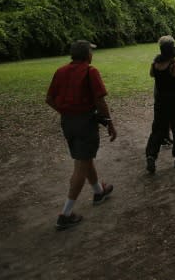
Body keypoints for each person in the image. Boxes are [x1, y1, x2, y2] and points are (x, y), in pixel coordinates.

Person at [46, 40, 116, 231]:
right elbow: (100, 100)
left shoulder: (60, 71)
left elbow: (49, 98)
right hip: (85, 122)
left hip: (68, 122)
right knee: (80, 165)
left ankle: (98, 192)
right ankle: (65, 214)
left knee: (84, 159)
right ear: (87, 55)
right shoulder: (90, 71)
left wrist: (66, 111)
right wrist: (109, 123)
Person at [145, 36, 175, 174]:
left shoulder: (155, 65)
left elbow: (155, 76)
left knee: (158, 128)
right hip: (174, 100)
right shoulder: (174, 65)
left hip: (160, 100)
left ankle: (151, 155)